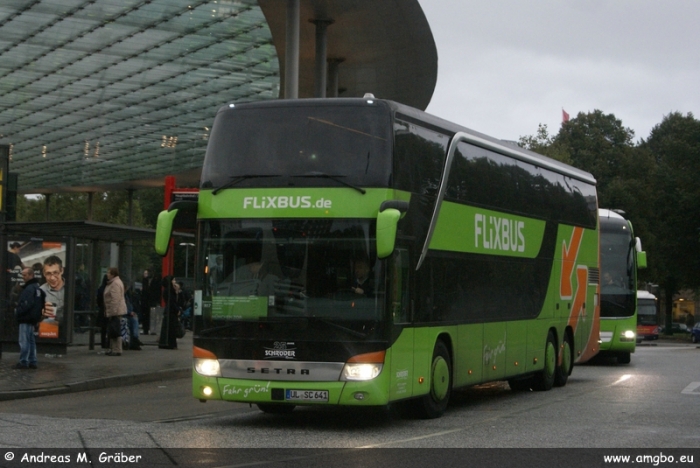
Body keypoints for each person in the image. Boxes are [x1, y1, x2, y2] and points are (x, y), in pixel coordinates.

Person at [14, 267, 45, 369]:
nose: (23, 277)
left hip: (25, 318)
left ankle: (23, 361)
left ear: (31, 275)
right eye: (22, 275)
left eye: (25, 275)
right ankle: (33, 361)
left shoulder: (29, 289)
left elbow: (26, 304)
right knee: (31, 340)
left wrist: (18, 311)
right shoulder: (37, 288)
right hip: (33, 318)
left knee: (24, 340)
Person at [39, 255, 65, 338]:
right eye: (48, 274)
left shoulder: (72, 288)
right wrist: (41, 312)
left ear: (61, 271)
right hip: (50, 331)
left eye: (55, 273)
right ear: (44, 274)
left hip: (72, 332)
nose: (52, 278)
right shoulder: (40, 291)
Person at [104, 267, 127, 356]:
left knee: (115, 330)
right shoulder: (115, 283)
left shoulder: (115, 284)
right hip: (115, 310)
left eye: (109, 273)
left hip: (115, 311)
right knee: (114, 330)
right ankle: (114, 348)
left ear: (113, 274)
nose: (107, 274)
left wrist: (112, 312)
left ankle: (117, 349)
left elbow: (115, 299)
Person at [159, 276, 181, 349]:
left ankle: (166, 343)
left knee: (168, 328)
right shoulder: (170, 290)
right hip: (172, 311)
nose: (175, 281)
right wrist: (177, 309)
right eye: (173, 280)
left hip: (169, 310)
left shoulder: (166, 290)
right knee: (171, 328)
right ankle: (171, 344)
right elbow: (172, 301)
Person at [96, 275, 109, 349]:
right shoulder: (110, 288)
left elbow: (98, 300)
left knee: (103, 329)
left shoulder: (101, 288)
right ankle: (109, 343)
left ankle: (103, 343)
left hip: (102, 309)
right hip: (109, 309)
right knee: (109, 327)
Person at [139, 269, 152, 335]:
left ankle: (145, 329)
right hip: (147, 302)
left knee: (145, 316)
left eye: (146, 273)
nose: (145, 274)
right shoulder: (148, 282)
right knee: (147, 316)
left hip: (145, 302)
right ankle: (146, 329)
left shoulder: (145, 281)